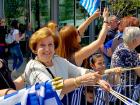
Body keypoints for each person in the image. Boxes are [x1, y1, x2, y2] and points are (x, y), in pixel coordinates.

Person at [20, 27, 111, 100]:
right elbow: (52, 86)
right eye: (42, 45)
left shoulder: (57, 60)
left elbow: (78, 71)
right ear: (35, 49)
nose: (47, 49)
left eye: (50, 44)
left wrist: (98, 79)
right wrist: (78, 81)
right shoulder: (33, 66)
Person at [111, 27, 140, 102]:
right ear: (134, 40)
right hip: (124, 89)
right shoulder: (127, 52)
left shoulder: (123, 47)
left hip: (123, 87)